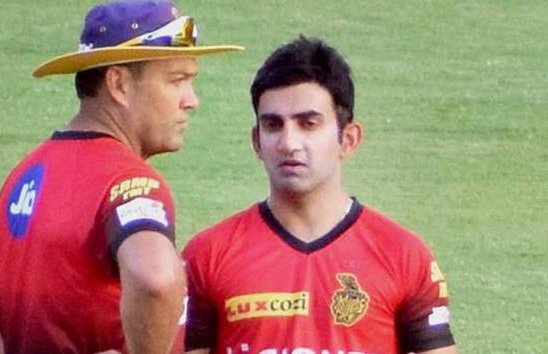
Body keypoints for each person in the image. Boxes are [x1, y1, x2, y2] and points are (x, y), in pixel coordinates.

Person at [0, 1, 242, 353]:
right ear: (118, 83)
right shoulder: (128, 181)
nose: (191, 100)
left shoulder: (24, 179)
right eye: (177, 80)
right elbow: (156, 279)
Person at [182, 36, 457, 354]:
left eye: (308, 124)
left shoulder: (404, 256)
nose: (288, 143)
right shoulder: (207, 256)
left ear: (348, 139)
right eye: (273, 125)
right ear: (257, 141)